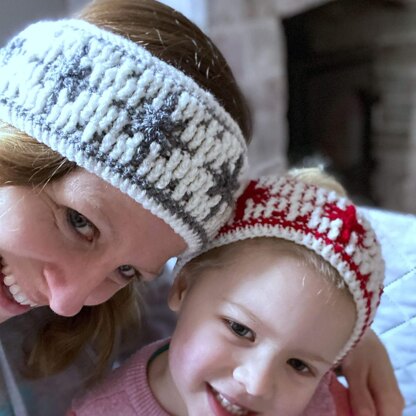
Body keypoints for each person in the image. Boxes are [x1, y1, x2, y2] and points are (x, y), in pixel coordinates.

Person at [0, 0, 403, 414]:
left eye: (127, 271)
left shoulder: (108, 310)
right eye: (78, 221)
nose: (67, 301)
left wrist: (329, 337)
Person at [68, 168, 385, 415]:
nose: (256, 384)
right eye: (240, 329)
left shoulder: (330, 407)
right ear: (183, 287)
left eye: (299, 365)